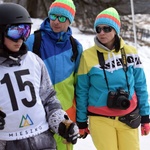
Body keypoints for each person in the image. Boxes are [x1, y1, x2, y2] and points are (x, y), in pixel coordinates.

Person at [0, 3, 79, 150]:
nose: (21, 39)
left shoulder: (34, 61)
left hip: (42, 140)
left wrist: (62, 124)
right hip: (7, 142)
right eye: (15, 32)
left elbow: (49, 99)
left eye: (25, 31)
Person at [76, 7, 150, 150]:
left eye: (107, 28)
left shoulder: (131, 53)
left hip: (128, 116)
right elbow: (82, 90)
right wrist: (81, 121)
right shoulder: (87, 56)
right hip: (100, 119)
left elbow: (141, 86)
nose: (102, 33)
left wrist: (146, 116)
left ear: (116, 30)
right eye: (98, 29)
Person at [25, 0, 83, 149]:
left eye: (62, 18)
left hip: (66, 116)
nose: (56, 21)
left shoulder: (75, 47)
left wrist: (81, 117)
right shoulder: (33, 41)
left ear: (70, 20)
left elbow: (79, 84)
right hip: (39, 114)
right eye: (53, 16)